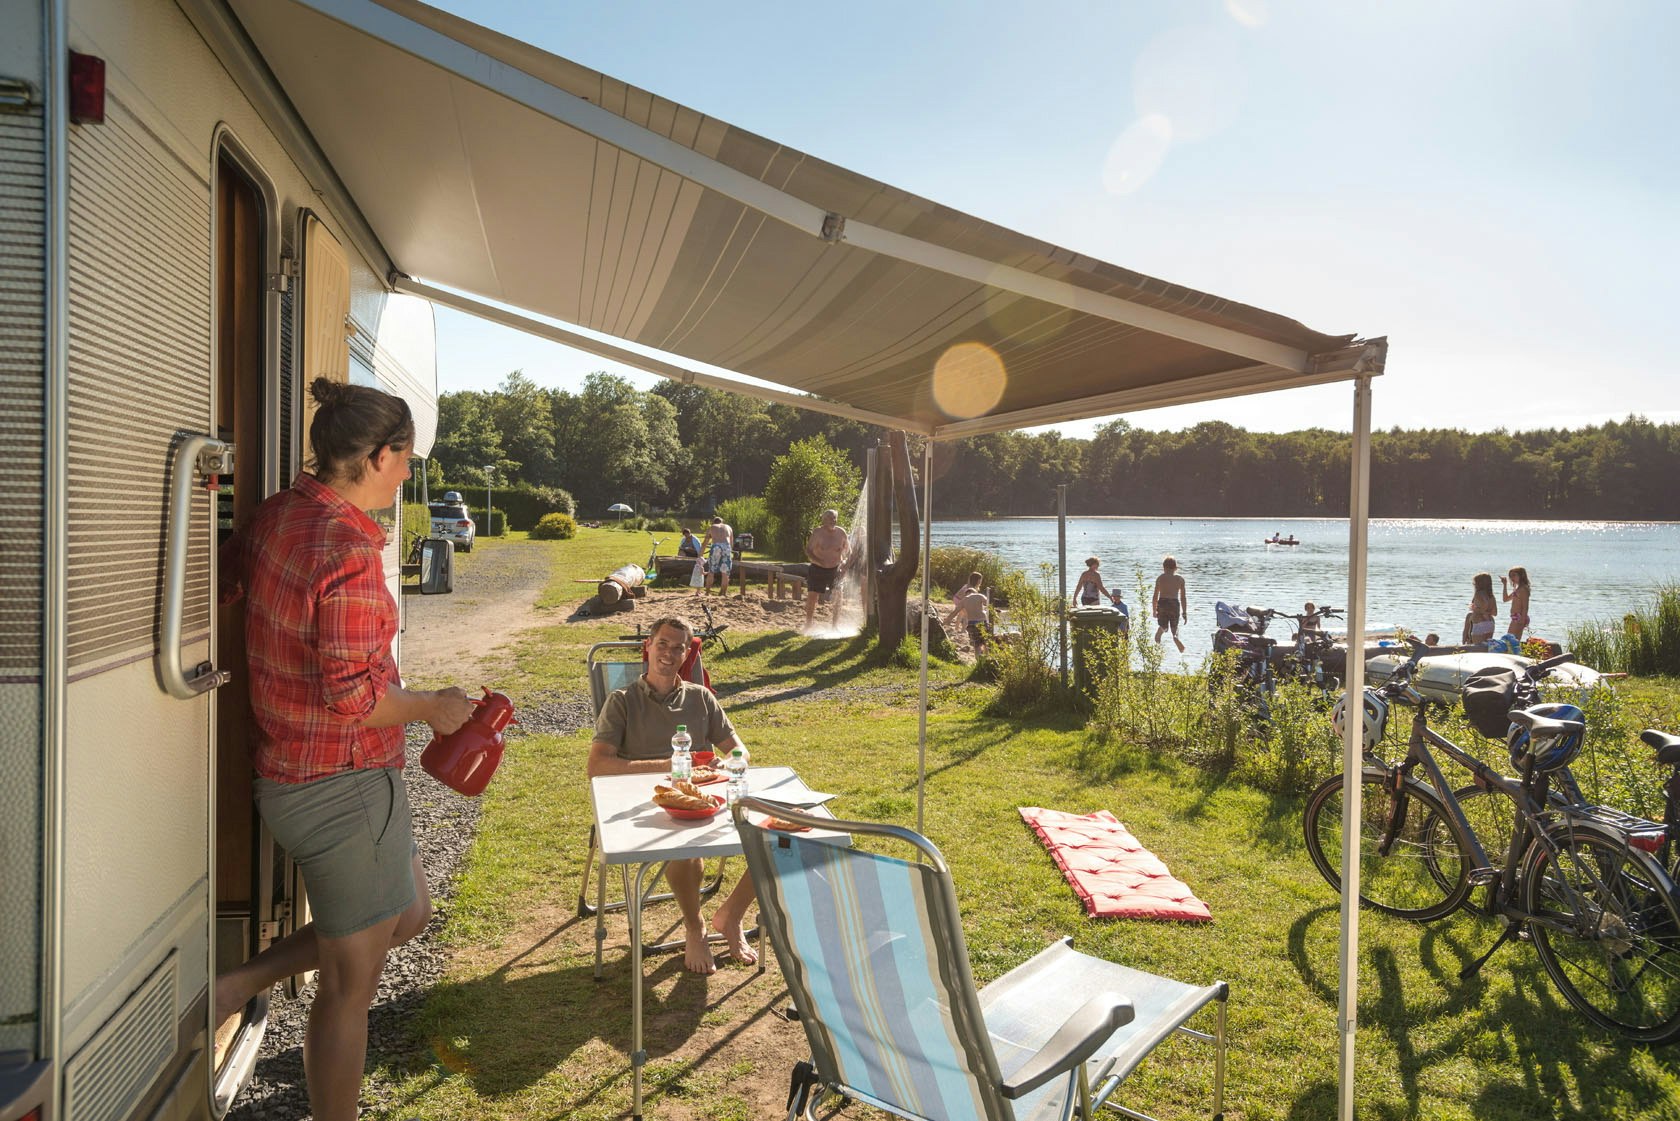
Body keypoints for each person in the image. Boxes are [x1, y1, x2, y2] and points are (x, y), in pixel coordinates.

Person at [212, 378, 476, 1121]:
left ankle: (238, 983)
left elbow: (225, 583)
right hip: (343, 783)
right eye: (407, 459)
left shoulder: (278, 515)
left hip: (293, 771)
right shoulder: (349, 551)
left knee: (409, 911)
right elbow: (356, 698)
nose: (407, 474)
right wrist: (435, 708)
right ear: (379, 456)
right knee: (349, 989)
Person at [587, 616, 757, 973]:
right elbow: (598, 766)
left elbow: (739, 752)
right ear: (647, 646)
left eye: (678, 647)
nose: (668, 653)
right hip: (642, 804)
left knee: (777, 837)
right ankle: (696, 927)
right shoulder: (622, 701)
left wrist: (726, 764)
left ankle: (731, 916)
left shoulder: (701, 698)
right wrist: (669, 765)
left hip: (703, 798)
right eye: (662, 643)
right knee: (685, 845)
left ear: (686, 655)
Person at [802, 508, 850, 631]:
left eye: (834, 518)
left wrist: (844, 563)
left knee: (838, 596)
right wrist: (818, 560)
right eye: (830, 518)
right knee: (813, 596)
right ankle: (808, 624)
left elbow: (848, 551)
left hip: (835, 569)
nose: (833, 520)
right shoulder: (818, 532)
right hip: (817, 568)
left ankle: (835, 626)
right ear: (824, 520)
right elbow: (808, 550)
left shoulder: (841, 532)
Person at [945, 571, 991, 657]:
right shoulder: (980, 596)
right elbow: (988, 604)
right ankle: (987, 658)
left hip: (971, 624)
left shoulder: (964, 600)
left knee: (977, 645)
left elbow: (954, 612)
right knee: (985, 642)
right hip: (981, 622)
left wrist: (947, 620)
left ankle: (978, 660)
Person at [1152, 556, 1187, 652]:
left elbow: (1155, 596)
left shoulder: (1160, 578)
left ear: (1163, 567)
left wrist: (1154, 610)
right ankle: (1175, 637)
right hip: (1174, 604)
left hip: (1162, 603)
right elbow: (1183, 598)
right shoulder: (1180, 579)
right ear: (1176, 568)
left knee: (1163, 626)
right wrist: (1184, 612)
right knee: (1174, 627)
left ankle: (1159, 637)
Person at [697, 516, 734, 597]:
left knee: (711, 571)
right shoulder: (729, 527)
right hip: (726, 547)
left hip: (716, 546)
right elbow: (731, 543)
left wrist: (700, 554)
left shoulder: (712, 527)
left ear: (714, 522)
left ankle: (707, 593)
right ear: (722, 522)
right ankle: (723, 593)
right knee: (725, 573)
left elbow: (705, 542)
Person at [1464, 572, 1498, 644]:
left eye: (1475, 582)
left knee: (1477, 647)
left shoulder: (1478, 594)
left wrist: (1474, 608)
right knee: (1486, 647)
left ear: (1479, 583)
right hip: (1490, 623)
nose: (1474, 584)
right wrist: (1486, 613)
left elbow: (1483, 608)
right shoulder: (1491, 596)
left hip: (1479, 622)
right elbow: (1495, 613)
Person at [1501, 566, 1532, 640]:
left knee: (1509, 640)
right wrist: (1505, 584)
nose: (1512, 578)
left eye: (1514, 575)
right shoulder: (1517, 589)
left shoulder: (1523, 589)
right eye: (1510, 576)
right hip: (1515, 617)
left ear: (1521, 576)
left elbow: (1525, 606)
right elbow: (1505, 599)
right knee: (1513, 640)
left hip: (1519, 617)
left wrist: (1522, 621)